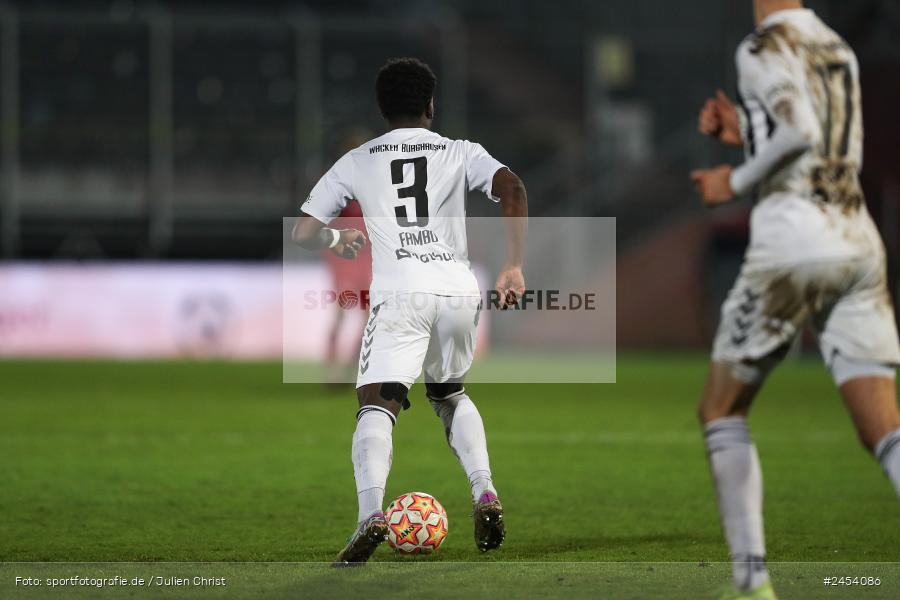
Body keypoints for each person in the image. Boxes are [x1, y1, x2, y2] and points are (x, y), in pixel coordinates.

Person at [692, 1, 900, 598]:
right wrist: (745, 134)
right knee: (882, 427)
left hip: (794, 242)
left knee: (721, 409)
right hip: (856, 238)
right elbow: (812, 138)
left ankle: (752, 584)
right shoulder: (834, 44)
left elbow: (801, 132)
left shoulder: (760, 45)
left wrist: (732, 179)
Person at [292, 57, 528, 565]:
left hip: (401, 294)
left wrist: (339, 237)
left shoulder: (358, 159)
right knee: (449, 393)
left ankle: (370, 515)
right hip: (458, 292)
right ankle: (484, 490)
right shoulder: (461, 152)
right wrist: (512, 264)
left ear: (382, 108)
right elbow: (513, 188)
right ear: (430, 105)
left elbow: (304, 232)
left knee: (377, 405)